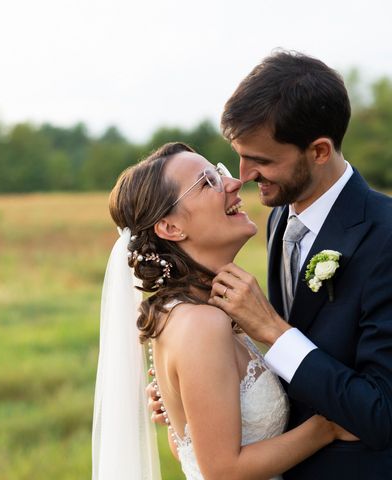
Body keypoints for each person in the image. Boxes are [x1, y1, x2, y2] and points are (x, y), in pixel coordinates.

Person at [92, 141, 355, 480]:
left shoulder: (190, 310)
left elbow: (192, 453)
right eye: (207, 183)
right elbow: (223, 471)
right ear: (171, 228)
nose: (233, 183)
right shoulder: (201, 323)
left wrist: (180, 420)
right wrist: (328, 428)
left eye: (219, 173)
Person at [207, 51, 392, 478]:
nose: (244, 175)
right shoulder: (278, 219)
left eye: (263, 160)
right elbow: (300, 375)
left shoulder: (385, 237)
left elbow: (381, 412)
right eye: (239, 155)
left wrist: (272, 330)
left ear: (320, 151)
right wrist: (207, 395)